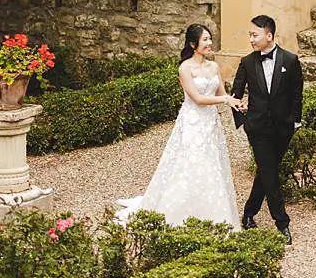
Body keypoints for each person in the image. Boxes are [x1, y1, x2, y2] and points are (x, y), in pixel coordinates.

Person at [114, 24, 243, 228]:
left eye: (210, 39)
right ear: (193, 44)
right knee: (190, 165)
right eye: (205, 40)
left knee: (212, 166)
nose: (209, 43)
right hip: (193, 123)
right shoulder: (185, 68)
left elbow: (220, 93)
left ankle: (215, 217)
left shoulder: (214, 67)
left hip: (211, 124)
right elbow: (198, 99)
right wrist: (226, 99)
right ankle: (181, 214)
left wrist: (236, 104)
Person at [230, 14, 304, 245]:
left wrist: (295, 122)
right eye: (250, 35)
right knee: (270, 174)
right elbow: (236, 94)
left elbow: (296, 94)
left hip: (283, 129)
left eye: (255, 34)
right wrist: (243, 118)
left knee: (265, 172)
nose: (251, 39)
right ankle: (282, 222)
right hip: (258, 129)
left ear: (269, 35)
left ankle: (249, 213)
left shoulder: (291, 60)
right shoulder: (247, 62)